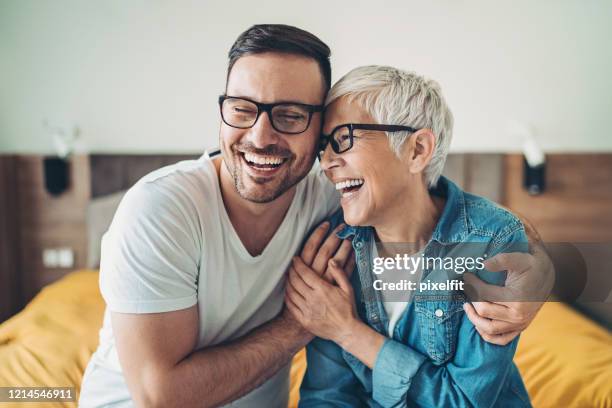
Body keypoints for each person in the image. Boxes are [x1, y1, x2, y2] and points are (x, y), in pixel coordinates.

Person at [80, 25, 552, 407]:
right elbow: (161, 397)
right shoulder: (164, 209)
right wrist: (307, 323)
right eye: (242, 110)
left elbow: (485, 227)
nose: (261, 137)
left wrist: (537, 271)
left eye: (290, 116)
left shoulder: (337, 205)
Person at [287, 66, 534, 407]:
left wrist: (349, 332)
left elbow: (462, 401)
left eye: (344, 139)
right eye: (324, 147)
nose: (327, 162)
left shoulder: (490, 242)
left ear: (417, 149)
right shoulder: (333, 245)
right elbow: (328, 397)